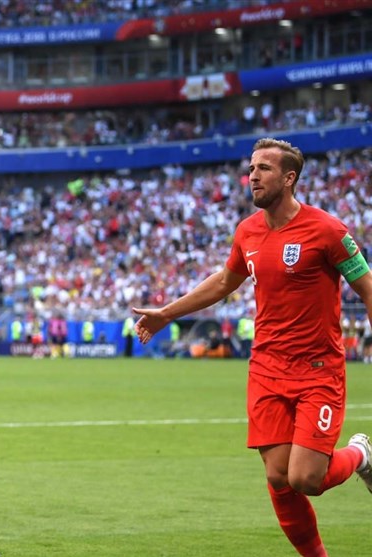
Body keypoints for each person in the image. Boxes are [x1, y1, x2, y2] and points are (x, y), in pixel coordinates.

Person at [133, 137, 372, 556]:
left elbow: (367, 289)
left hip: (317, 370)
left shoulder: (328, 231)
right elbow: (225, 281)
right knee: (278, 477)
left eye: (264, 168)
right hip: (266, 369)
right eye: (251, 168)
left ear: (289, 178)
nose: (253, 176)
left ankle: (361, 454)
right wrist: (167, 313)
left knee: (306, 478)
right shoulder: (248, 231)